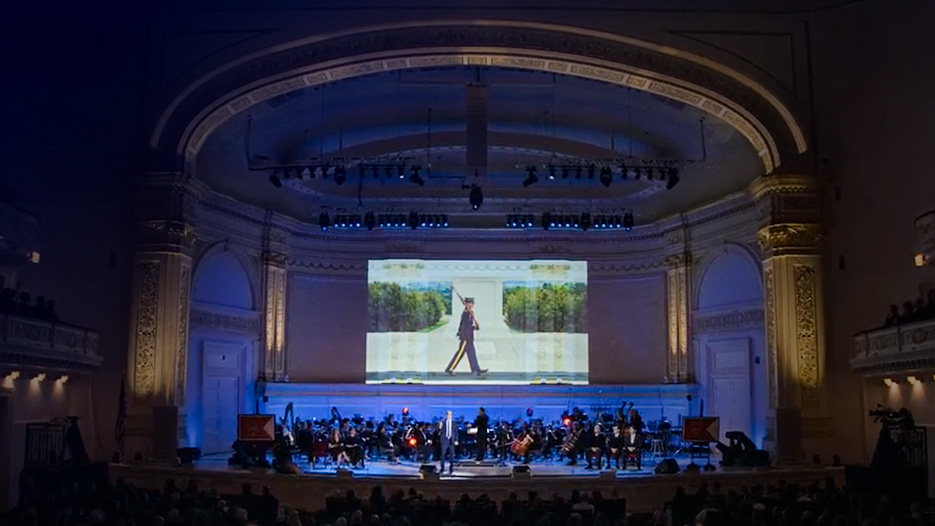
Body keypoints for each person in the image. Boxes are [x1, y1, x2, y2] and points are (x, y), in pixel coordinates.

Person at [445, 297, 487, 376]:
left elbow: (471, 326)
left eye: (471, 303)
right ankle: (450, 368)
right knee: (460, 354)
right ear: (466, 304)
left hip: (469, 337)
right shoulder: (465, 314)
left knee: (472, 354)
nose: (471, 304)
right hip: (465, 338)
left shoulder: (470, 313)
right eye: (469, 303)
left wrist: (475, 326)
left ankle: (476, 369)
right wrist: (463, 334)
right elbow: (464, 326)